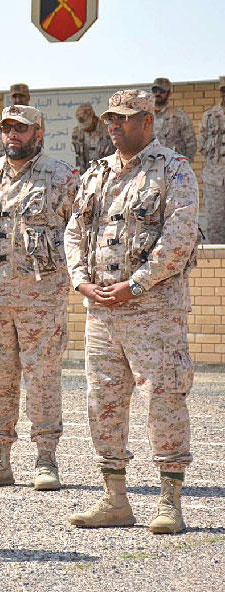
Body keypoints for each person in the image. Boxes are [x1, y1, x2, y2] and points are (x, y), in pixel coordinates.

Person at [65, 90, 200, 534]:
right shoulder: (97, 173)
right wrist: (81, 281)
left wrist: (136, 285)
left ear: (147, 121)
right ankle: (115, 501)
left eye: (124, 118)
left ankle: (169, 503)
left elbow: (179, 238)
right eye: (110, 119)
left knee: (163, 399)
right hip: (102, 313)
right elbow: (74, 231)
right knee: (103, 402)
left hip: (154, 312)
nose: (114, 126)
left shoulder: (174, 170)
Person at [0, 105, 78, 491]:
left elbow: (80, 233)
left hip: (40, 298)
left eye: (21, 128)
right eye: (7, 128)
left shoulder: (62, 177)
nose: (12, 135)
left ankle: (46, 459)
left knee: (43, 377)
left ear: (38, 133)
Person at [198, 76, 225, 244]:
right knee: (215, 222)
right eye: (223, 90)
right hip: (215, 178)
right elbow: (201, 146)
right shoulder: (210, 115)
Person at [151, 78, 196, 160]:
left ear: (169, 93)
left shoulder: (180, 116)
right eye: (155, 90)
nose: (158, 93)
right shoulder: (144, 117)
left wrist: (183, 164)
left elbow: (191, 145)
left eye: (162, 91)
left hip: (172, 164)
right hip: (150, 165)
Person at [0, 84, 32, 159]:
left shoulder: (34, 117)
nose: (18, 100)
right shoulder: (4, 117)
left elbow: (36, 140)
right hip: (6, 156)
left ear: (28, 97)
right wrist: (9, 145)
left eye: (21, 96)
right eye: (15, 97)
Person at [71, 102, 114, 170]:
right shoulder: (76, 133)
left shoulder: (109, 129)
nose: (85, 128)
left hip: (108, 170)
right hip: (87, 171)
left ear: (94, 117)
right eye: (83, 126)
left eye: (87, 124)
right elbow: (79, 156)